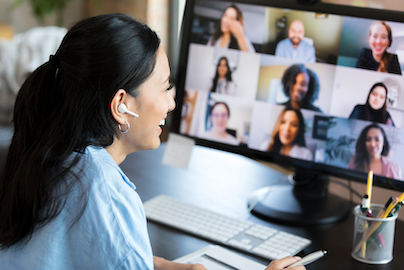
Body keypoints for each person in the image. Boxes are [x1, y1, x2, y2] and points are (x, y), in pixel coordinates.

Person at [0, 14, 306, 270]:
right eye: (165, 87)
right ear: (121, 104)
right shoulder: (107, 195)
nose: (172, 104)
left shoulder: (51, 154)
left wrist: (155, 264)